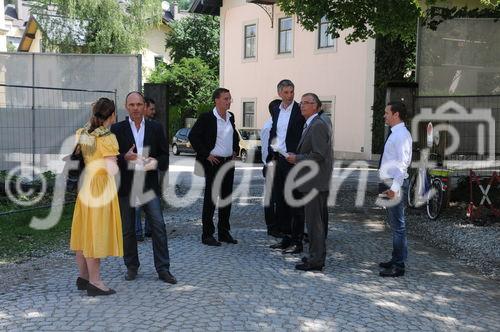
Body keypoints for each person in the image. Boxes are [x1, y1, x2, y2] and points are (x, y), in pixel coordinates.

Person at [111, 91, 176, 284]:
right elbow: (111, 160)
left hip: (148, 186)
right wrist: (125, 157)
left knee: (158, 226)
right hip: (126, 186)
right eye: (132, 105)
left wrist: (154, 162)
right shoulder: (117, 129)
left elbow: (165, 157)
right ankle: (132, 266)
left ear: (144, 107)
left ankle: (163, 269)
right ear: (126, 106)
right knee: (128, 230)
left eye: (139, 104)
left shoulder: (156, 128)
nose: (136, 108)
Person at [70, 97, 122, 296]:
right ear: (112, 115)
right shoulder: (107, 137)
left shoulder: (83, 132)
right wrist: (119, 160)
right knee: (95, 234)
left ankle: (83, 277)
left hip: (85, 185)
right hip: (100, 188)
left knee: (84, 233)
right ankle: (96, 282)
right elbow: (110, 169)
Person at [286, 93, 333, 271]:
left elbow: (319, 155)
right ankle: (315, 256)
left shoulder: (318, 125)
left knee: (315, 224)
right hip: (314, 181)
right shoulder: (312, 124)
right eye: (301, 103)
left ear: (316, 106)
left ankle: (316, 260)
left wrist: (296, 158)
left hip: (315, 182)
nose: (302, 106)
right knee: (314, 223)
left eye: (307, 103)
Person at [188, 88, 240, 246]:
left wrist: (235, 150)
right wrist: (206, 154)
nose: (229, 101)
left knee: (226, 198)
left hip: (228, 163)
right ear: (216, 100)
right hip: (213, 163)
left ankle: (224, 232)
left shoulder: (231, 117)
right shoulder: (207, 117)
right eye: (225, 98)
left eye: (230, 98)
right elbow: (193, 136)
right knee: (211, 199)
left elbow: (234, 137)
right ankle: (207, 234)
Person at [267, 79, 306, 254]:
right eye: (286, 92)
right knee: (281, 201)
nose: (290, 96)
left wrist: (298, 157)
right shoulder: (276, 110)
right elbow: (274, 133)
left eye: (292, 92)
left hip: (293, 160)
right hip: (279, 160)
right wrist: (271, 155)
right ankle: (286, 238)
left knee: (295, 202)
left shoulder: (299, 110)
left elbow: (305, 136)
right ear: (279, 93)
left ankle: (297, 242)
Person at [378, 101, 412, 278]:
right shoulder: (395, 134)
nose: (384, 115)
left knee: (398, 226)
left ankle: (399, 266)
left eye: (386, 112)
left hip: (394, 184)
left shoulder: (401, 135)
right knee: (395, 224)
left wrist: (395, 188)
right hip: (390, 182)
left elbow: (403, 164)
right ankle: (396, 259)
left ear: (396, 114)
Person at [135, 97, 156, 241]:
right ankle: (137, 232)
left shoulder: (154, 126)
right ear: (145, 108)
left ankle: (149, 229)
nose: (154, 112)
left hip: (149, 168)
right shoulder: (131, 126)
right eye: (152, 109)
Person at [261, 99, 281, 237]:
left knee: (277, 197)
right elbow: (266, 150)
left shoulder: (276, 124)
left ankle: (278, 226)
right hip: (271, 165)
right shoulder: (269, 126)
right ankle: (272, 227)